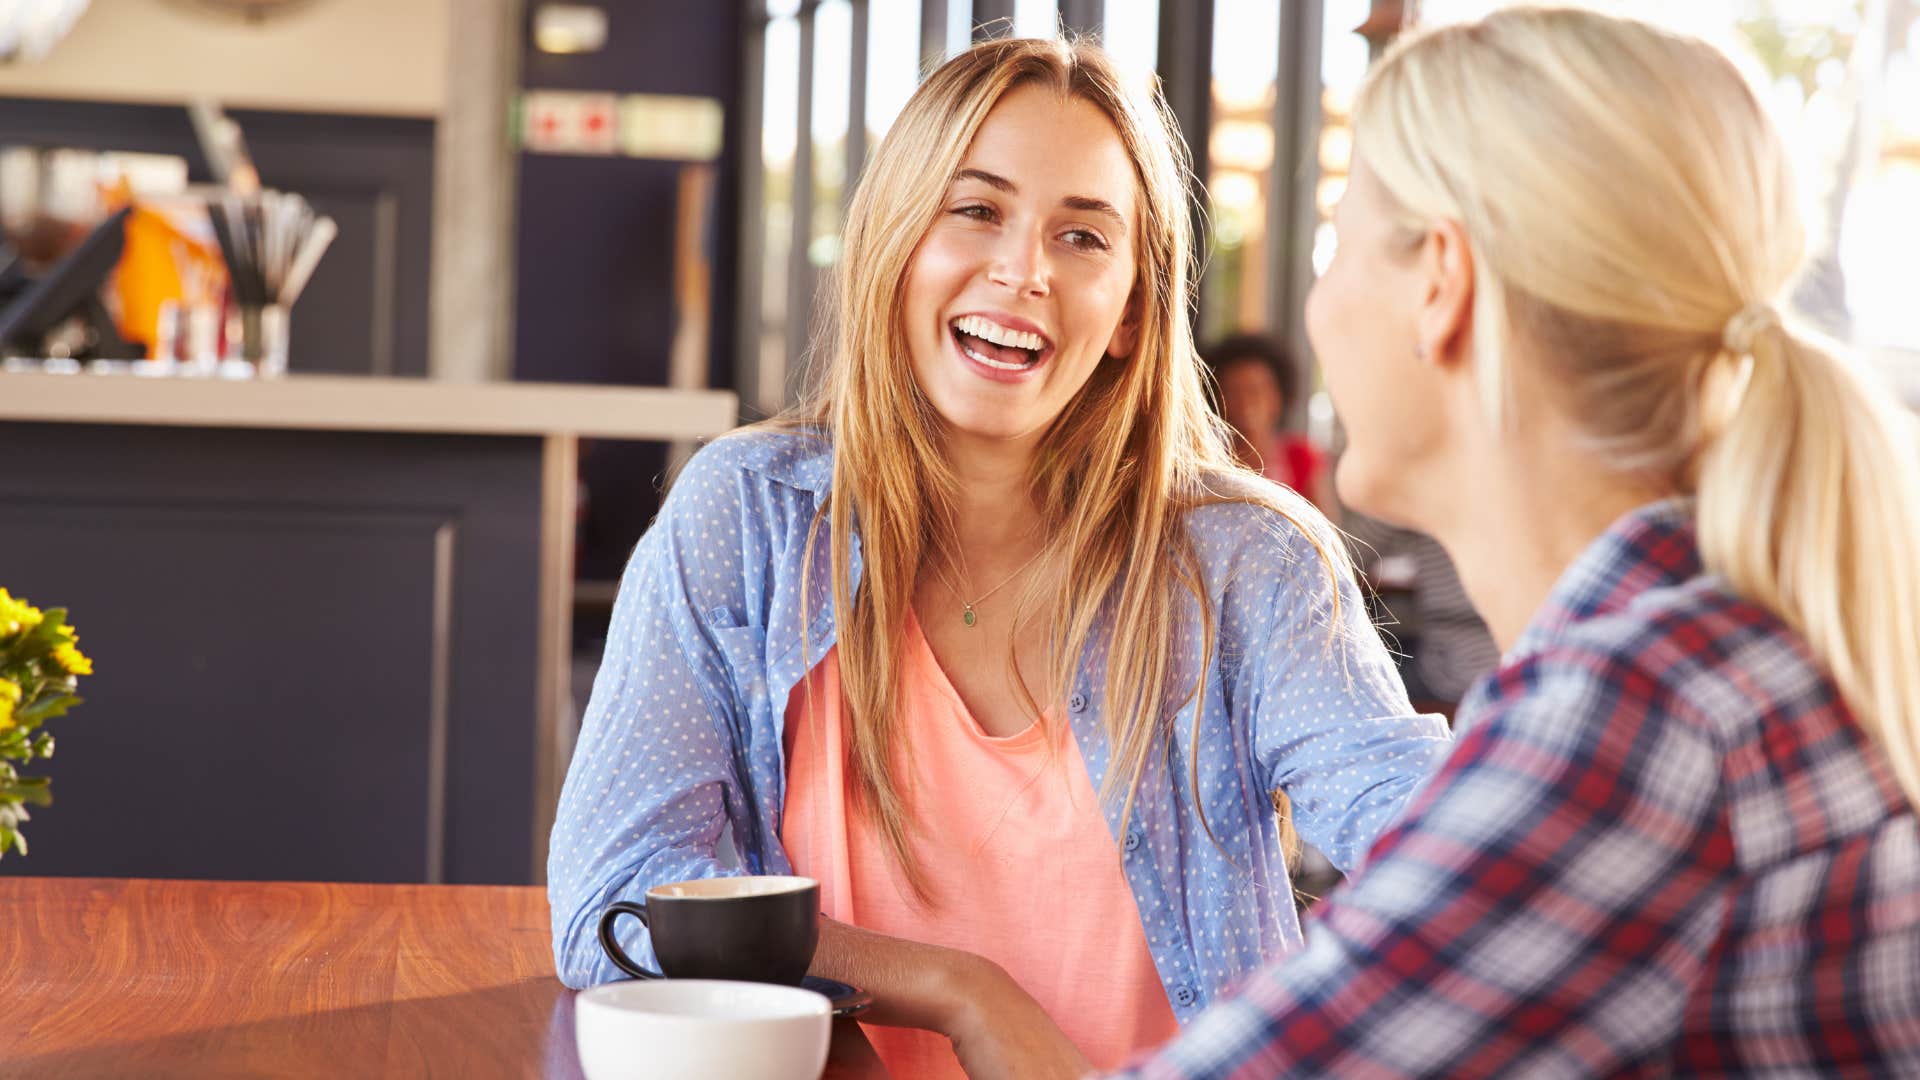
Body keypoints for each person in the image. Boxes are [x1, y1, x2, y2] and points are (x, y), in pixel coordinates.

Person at [547, 36, 1451, 1080]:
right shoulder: (747, 520)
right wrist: (959, 990)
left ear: (1129, 313)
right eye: (976, 210)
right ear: (896, 240)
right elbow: (618, 897)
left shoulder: (1246, 562)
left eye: (1082, 237)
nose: (1024, 271)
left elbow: (1432, 859)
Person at [1114, 8, 1920, 1077]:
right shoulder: (1732, 642)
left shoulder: (1639, 717)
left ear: (1440, 285)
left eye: (1337, 242)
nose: (1317, 305)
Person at [1199, 333, 1328, 507]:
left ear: (1279, 395)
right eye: (1234, 391)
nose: (1246, 402)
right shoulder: (1205, 457)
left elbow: (1323, 528)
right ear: (1217, 398)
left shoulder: (1300, 457)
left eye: (1256, 390)